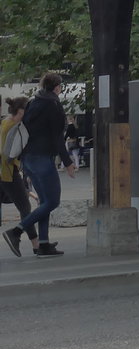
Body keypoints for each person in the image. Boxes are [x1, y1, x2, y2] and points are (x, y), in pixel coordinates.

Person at [3, 72, 76, 257]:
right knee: (52, 201)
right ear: (57, 87)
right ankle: (16, 231)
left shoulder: (33, 103)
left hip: (28, 160)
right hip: (42, 159)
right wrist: (67, 162)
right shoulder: (53, 105)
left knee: (44, 202)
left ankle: (43, 244)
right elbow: (58, 137)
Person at [0, 96, 46, 254]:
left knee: (24, 205)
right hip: (7, 172)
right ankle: (30, 243)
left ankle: (36, 245)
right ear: (21, 111)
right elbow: (7, 154)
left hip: (4, 171)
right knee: (25, 207)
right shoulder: (13, 126)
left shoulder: (6, 121)